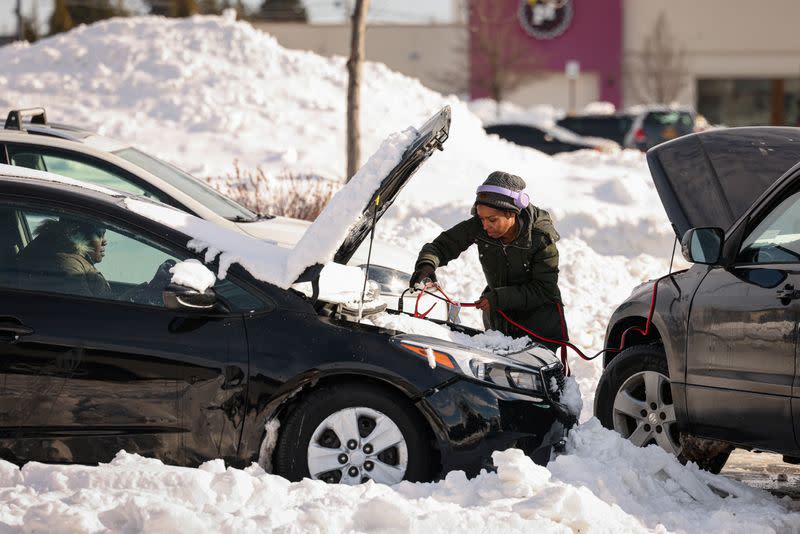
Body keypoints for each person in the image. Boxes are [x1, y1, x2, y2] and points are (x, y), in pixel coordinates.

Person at [410, 171, 569, 353]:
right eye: (482, 218)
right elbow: (442, 245)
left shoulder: (541, 238)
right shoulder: (481, 226)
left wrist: (499, 298)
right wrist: (427, 264)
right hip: (500, 322)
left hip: (538, 328)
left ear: (512, 213)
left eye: (492, 220)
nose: (485, 226)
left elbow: (544, 289)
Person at [16, 217, 111, 298]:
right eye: (99, 234)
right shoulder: (68, 265)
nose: (104, 241)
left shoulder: (65, 258)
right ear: (75, 232)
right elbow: (86, 312)